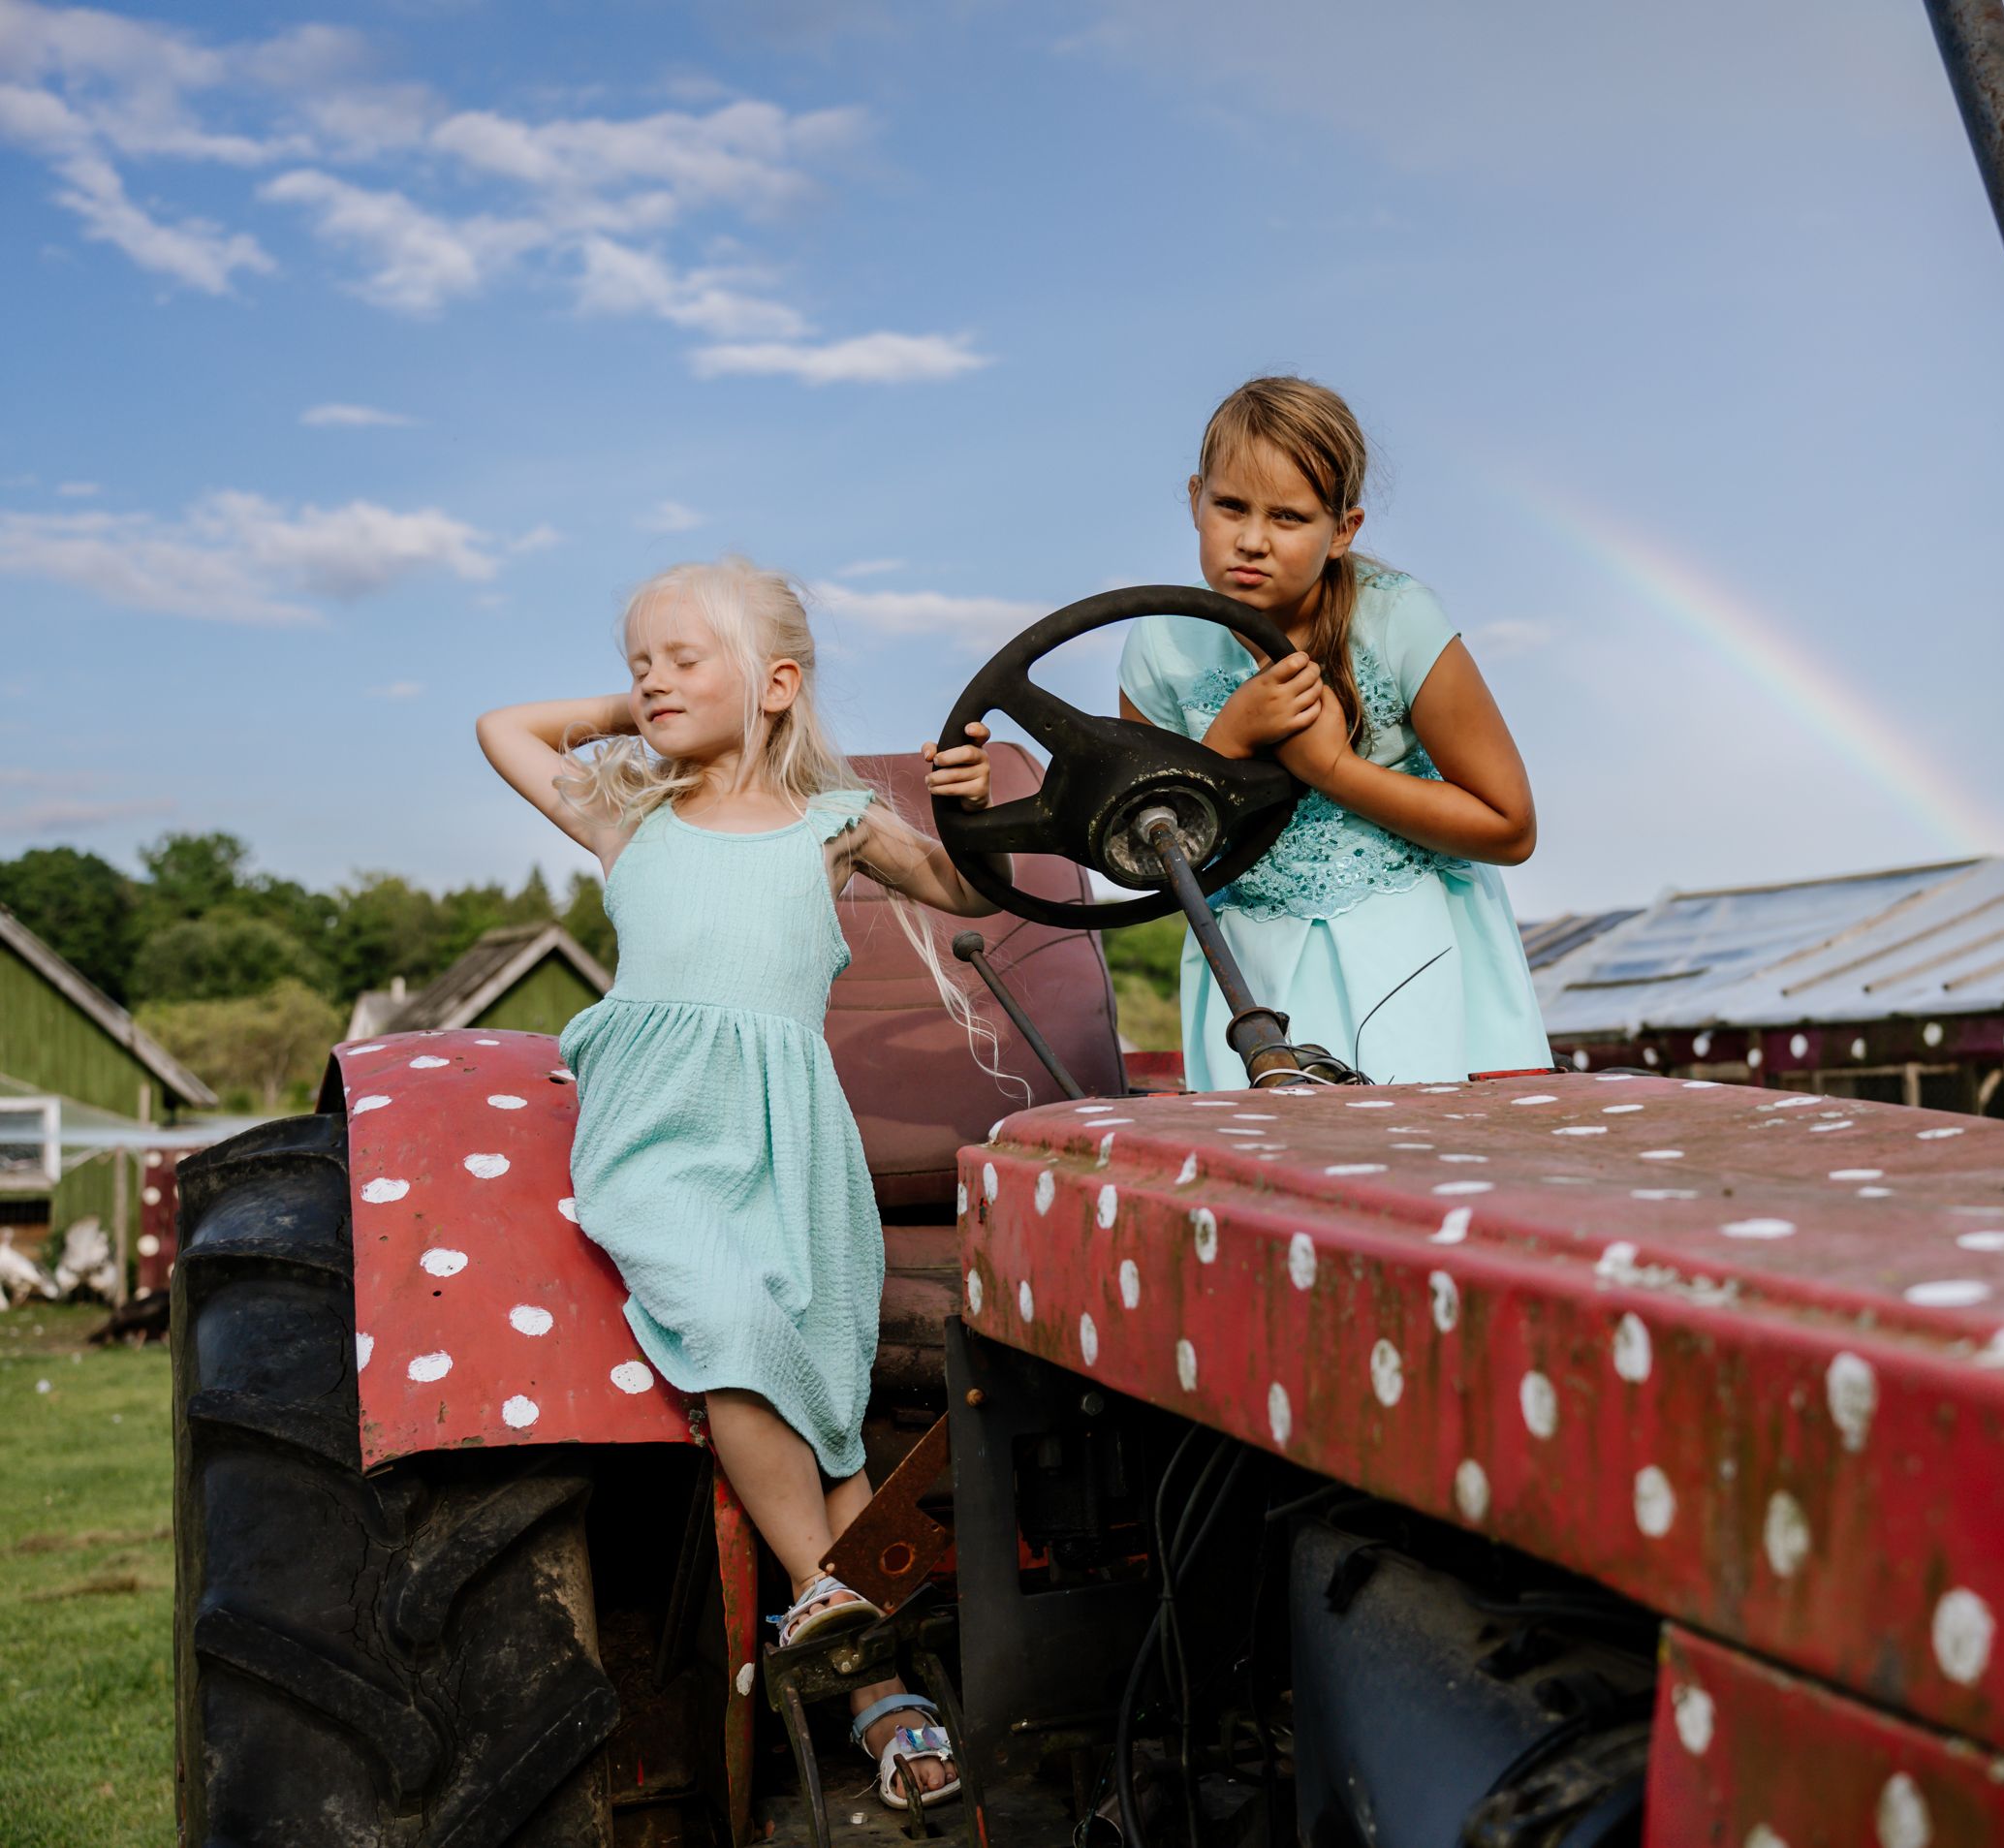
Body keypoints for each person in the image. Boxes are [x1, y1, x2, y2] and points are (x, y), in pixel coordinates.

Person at [477, 556, 993, 1811]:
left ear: (776, 684)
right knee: (730, 1326)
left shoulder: (837, 826)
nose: (650, 676)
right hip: (657, 1126)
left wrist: (969, 806)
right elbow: (503, 730)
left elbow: (978, 891)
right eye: (636, 658)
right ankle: (837, 1601)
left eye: (680, 658)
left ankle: (875, 1687)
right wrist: (634, 715)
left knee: (821, 1385)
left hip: (791, 1135)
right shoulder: (629, 815)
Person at [1118, 376, 1552, 1087]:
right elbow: (1141, 846)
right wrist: (1225, 746)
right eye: (1230, 506)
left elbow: (1510, 827)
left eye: (1288, 518)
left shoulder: (1397, 622)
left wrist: (1332, 769)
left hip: (1414, 954)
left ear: (1342, 530)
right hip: (1250, 980)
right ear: (1195, 498)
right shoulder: (1161, 646)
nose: (1251, 540)